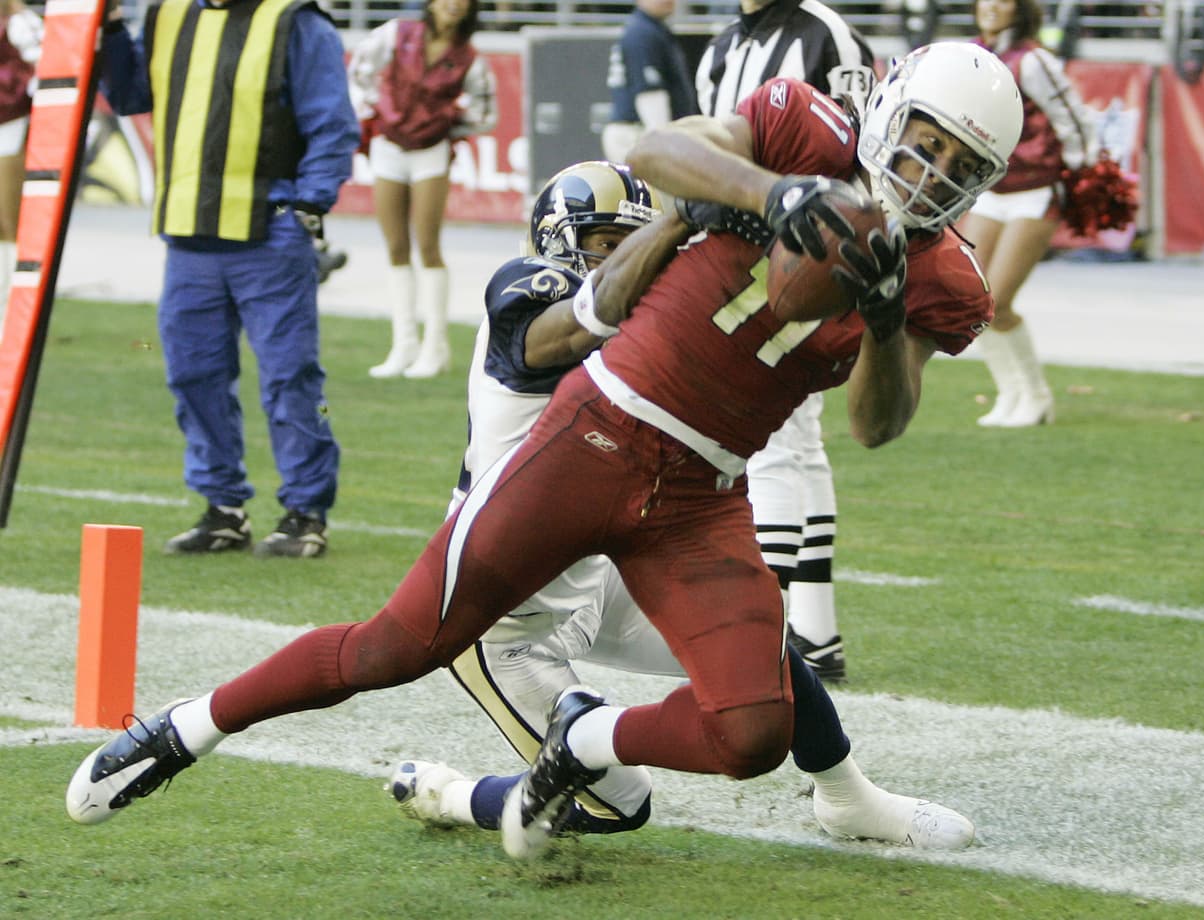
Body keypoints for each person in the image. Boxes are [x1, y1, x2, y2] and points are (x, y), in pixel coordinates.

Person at [66, 44, 1022, 865]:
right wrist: (777, 194)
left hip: (701, 490)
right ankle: (185, 729)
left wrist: (886, 313)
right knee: (393, 649)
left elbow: (877, 424)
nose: (931, 171)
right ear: (889, 109)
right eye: (926, 139)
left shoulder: (944, 278)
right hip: (597, 435)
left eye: (959, 163)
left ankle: (586, 737)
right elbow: (658, 151)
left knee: (753, 731)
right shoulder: (800, 129)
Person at [388, 160, 974, 849]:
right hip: (507, 607)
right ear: (555, 239)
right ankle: (452, 795)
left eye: (636, 241)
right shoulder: (529, 297)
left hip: (599, 563)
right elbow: (574, 333)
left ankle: (848, 796)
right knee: (620, 804)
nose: (625, 257)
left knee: (760, 648)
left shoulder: (652, 318)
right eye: (606, 243)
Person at [96, 0, 359, 558]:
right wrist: (112, 31)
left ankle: (306, 511)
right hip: (187, 238)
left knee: (291, 377)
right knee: (194, 377)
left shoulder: (295, 20)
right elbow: (130, 96)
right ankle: (223, 508)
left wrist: (308, 207)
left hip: (270, 233)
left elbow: (333, 123)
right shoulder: (167, 13)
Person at [695, 0, 877, 685]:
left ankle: (761, 647)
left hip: (802, 257)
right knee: (797, 443)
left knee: (767, 440)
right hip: (741, 255)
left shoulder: (824, 31)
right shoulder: (722, 47)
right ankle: (815, 632)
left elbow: (864, 150)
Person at [960, 0, 1097, 428]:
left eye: (1003, 0)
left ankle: (1035, 396)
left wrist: (1083, 175)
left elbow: (1074, 119)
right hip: (992, 189)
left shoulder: (1034, 61)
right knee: (970, 301)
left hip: (1035, 191)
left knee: (998, 300)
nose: (990, 7)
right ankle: (1010, 393)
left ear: (1020, 10)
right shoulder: (972, 55)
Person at [349, 0, 497, 379]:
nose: (453, 4)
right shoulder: (396, 33)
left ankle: (435, 345)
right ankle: (403, 344)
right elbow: (359, 70)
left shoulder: (469, 58)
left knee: (428, 246)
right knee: (396, 246)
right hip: (387, 146)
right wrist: (375, 110)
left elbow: (486, 113)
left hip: (431, 151)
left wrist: (446, 123)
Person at [601, 0, 698, 165]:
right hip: (636, 132)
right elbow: (649, 95)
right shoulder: (642, 33)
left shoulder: (650, 28)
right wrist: (663, 144)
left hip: (637, 131)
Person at [0, 0, 40, 336]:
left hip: (11, 129)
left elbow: (45, 71)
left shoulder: (21, 23)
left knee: (11, 222)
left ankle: (13, 308)